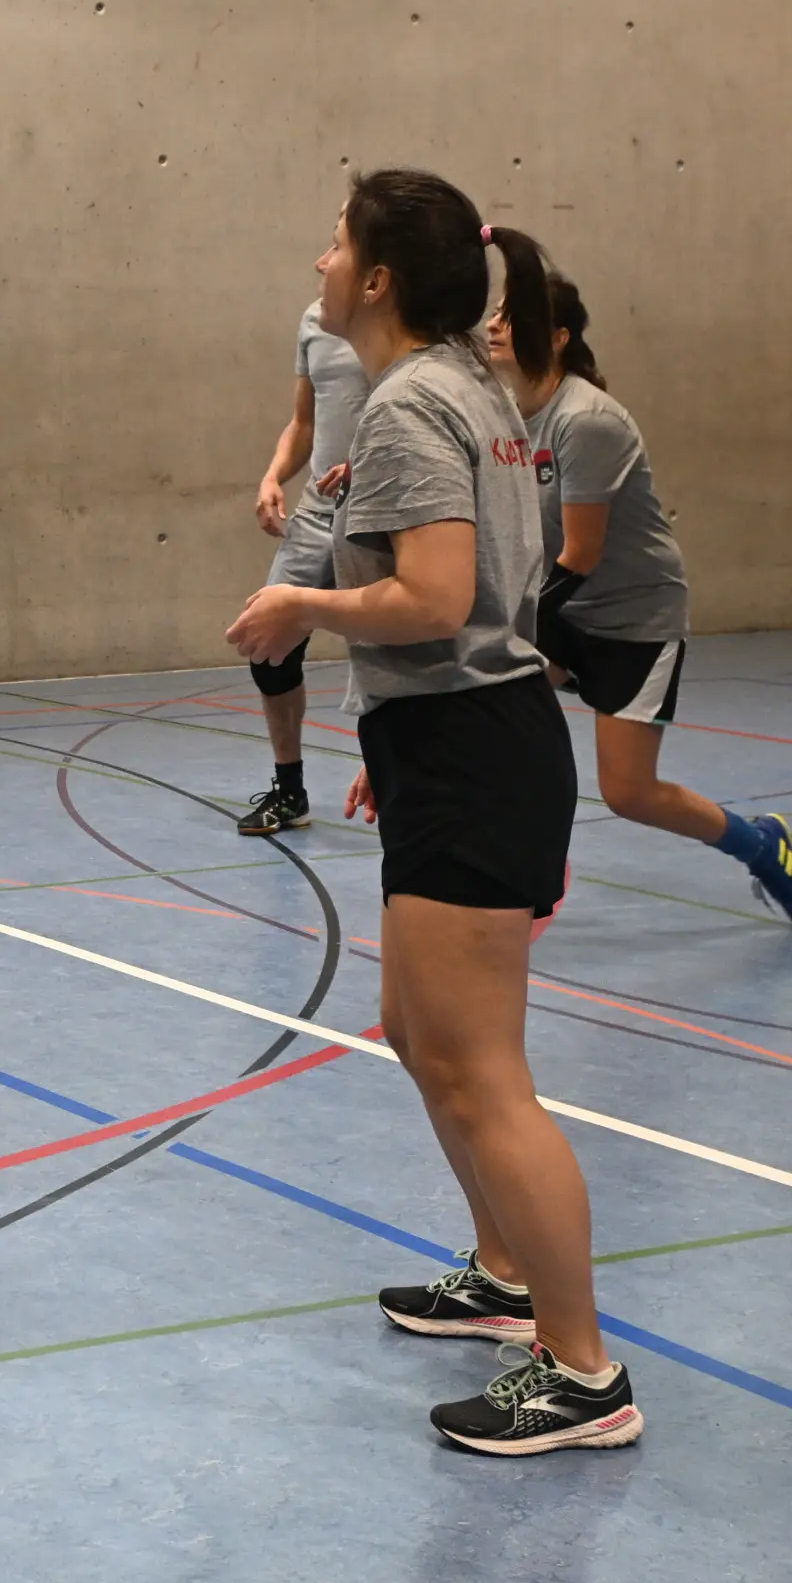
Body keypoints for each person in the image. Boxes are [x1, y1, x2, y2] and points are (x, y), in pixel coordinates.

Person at [226, 179, 640, 1456]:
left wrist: (303, 611)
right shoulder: (468, 384)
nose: (321, 256)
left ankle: (582, 1371)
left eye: (340, 240)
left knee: (482, 1072)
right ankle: (503, 1271)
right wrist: (392, 729)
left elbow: (438, 594)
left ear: (383, 276)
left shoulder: (416, 398)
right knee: (418, 1030)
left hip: (471, 748)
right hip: (451, 742)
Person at [486, 269, 792, 927]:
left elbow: (579, 556)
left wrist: (513, 630)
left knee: (629, 792)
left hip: (632, 620)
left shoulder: (585, 421)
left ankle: (761, 846)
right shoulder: (498, 410)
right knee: (496, 714)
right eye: (495, 312)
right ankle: (518, 870)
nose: (494, 325)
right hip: (565, 606)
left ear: (556, 339)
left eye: (512, 316)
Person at [240, 300, 373, 833]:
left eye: (337, 245)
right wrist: (273, 476)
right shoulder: (315, 320)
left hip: (380, 511)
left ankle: (405, 786)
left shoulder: (406, 319)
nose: (323, 260)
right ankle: (290, 792)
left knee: (393, 661)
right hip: (318, 515)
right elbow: (304, 421)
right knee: (267, 651)